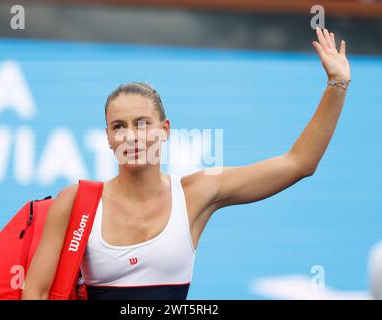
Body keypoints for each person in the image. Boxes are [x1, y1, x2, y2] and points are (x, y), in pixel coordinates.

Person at [21, 27, 351, 300]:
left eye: (142, 123)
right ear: (107, 137)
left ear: (164, 130)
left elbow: (298, 163)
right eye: (118, 126)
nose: (131, 136)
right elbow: (34, 293)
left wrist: (336, 86)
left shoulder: (197, 192)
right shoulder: (76, 201)